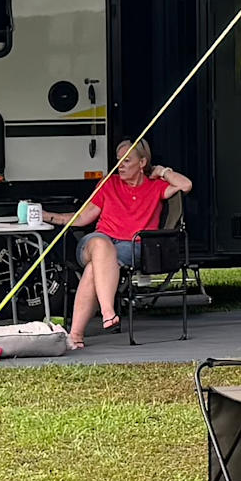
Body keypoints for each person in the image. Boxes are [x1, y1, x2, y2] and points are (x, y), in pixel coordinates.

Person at [66, 139, 192, 342]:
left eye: (126, 160)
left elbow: (185, 185)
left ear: (142, 162)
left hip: (132, 245)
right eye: (118, 161)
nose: (120, 166)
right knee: (101, 245)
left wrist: (162, 171)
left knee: (93, 269)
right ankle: (107, 311)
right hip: (98, 240)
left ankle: (75, 335)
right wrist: (48, 216)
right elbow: (82, 218)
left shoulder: (155, 187)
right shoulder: (108, 183)